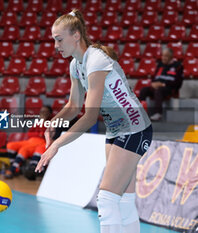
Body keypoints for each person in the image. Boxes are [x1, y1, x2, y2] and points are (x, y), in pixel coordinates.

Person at [35, 9, 152, 233]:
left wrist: (56, 145)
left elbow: (89, 116)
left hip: (135, 128)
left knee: (107, 199)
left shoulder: (96, 60)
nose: (56, 45)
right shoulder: (75, 66)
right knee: (124, 201)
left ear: (76, 35)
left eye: (59, 39)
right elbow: (73, 106)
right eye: (54, 40)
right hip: (116, 131)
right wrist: (53, 123)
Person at [4, 105, 52, 179]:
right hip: (31, 141)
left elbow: (45, 135)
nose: (43, 113)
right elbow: (29, 134)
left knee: (24, 150)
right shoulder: (37, 122)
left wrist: (43, 122)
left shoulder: (51, 122)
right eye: (42, 111)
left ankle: (12, 169)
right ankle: (15, 166)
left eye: (45, 112)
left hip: (42, 142)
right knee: (10, 145)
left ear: (49, 113)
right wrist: (38, 133)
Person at [139, 47, 183, 121]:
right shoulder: (160, 65)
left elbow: (178, 82)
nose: (163, 58)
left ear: (171, 57)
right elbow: (154, 77)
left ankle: (158, 113)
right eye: (162, 55)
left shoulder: (178, 66)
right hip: (157, 86)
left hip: (169, 88)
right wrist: (153, 84)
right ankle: (140, 112)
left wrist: (163, 84)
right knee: (144, 90)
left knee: (158, 91)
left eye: (165, 56)